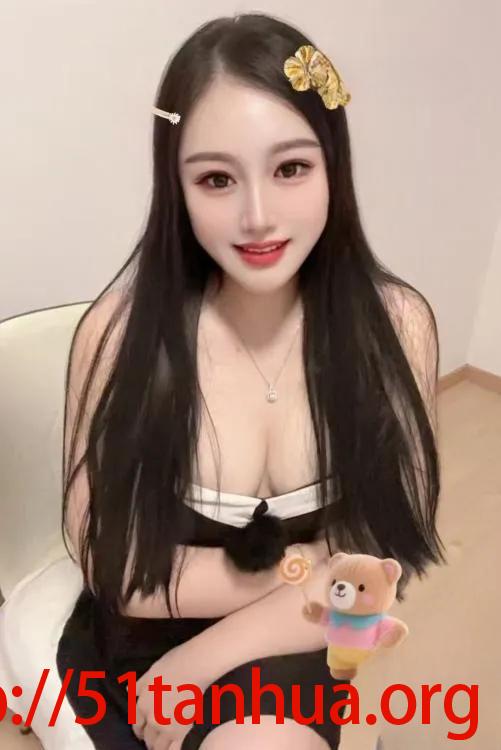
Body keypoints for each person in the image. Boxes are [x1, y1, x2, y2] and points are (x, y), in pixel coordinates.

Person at [56, 11, 446, 750]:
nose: (257, 216)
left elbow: (383, 564)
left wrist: (203, 659)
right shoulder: (119, 334)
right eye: (216, 179)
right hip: (137, 640)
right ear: (176, 186)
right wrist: (311, 574)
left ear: (333, 166)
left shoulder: (396, 327)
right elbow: (116, 567)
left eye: (290, 168)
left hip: (291, 637)